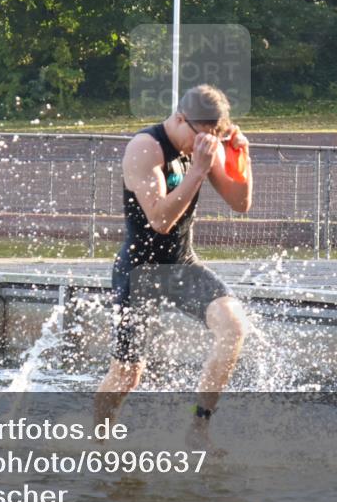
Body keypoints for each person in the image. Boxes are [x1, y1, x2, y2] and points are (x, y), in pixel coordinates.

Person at [94, 84, 253, 443]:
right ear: (181, 119)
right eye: (203, 137)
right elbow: (160, 220)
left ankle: (198, 427)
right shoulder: (145, 148)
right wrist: (198, 169)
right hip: (140, 272)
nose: (207, 144)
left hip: (181, 264)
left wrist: (241, 157)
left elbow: (240, 204)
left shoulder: (199, 144)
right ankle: (99, 440)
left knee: (233, 328)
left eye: (216, 137)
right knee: (127, 374)